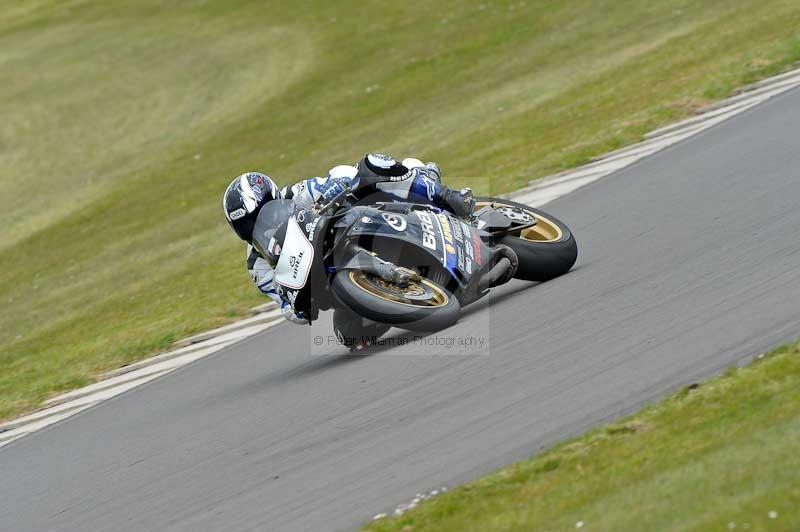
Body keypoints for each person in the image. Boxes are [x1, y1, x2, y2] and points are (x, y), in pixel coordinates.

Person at [222, 153, 475, 347]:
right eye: (246, 225)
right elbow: (286, 307)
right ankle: (409, 294)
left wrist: (335, 188)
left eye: (260, 214)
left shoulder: (296, 193)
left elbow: (342, 174)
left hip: (350, 224)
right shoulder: (257, 264)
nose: (255, 225)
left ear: (274, 197)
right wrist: (298, 306)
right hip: (329, 278)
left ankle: (445, 195)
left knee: (372, 165)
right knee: (350, 336)